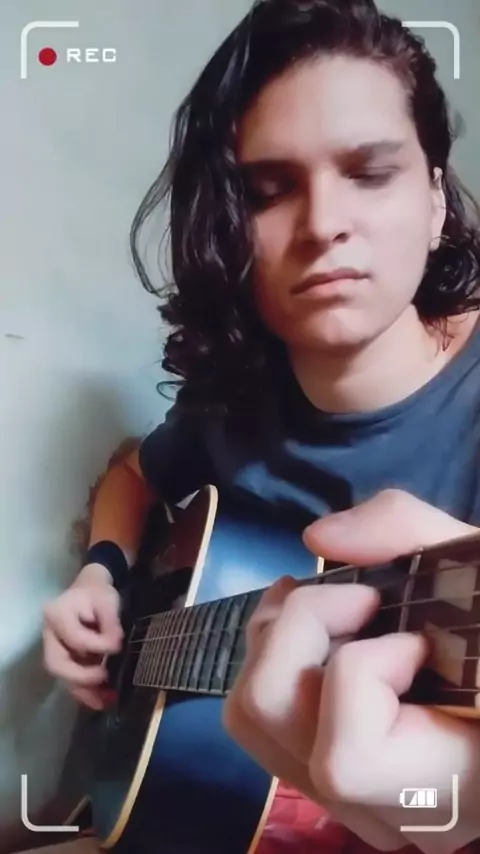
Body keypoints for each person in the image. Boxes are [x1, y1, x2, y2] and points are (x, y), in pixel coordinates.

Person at [42, 0, 480, 851]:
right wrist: (102, 574)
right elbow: (134, 473)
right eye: (267, 192)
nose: (322, 225)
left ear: (435, 201)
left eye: (371, 172)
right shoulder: (233, 400)